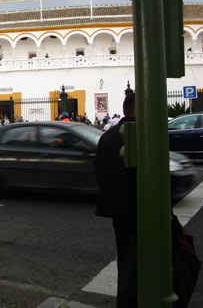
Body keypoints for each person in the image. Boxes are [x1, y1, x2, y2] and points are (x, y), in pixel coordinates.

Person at [94, 92, 136, 307]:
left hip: (118, 208)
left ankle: (124, 300)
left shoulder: (108, 136)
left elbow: (98, 169)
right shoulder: (146, 133)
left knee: (124, 258)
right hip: (141, 209)